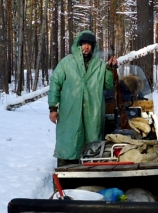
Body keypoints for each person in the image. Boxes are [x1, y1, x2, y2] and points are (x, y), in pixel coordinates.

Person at [48, 30, 117, 166]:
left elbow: (108, 85)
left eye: (89, 44)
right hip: (70, 110)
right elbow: (55, 83)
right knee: (69, 141)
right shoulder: (67, 63)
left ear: (93, 46)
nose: (86, 47)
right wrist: (53, 108)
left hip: (93, 111)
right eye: (84, 44)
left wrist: (110, 69)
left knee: (92, 144)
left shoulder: (99, 65)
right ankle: (64, 175)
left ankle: (90, 175)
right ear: (78, 45)